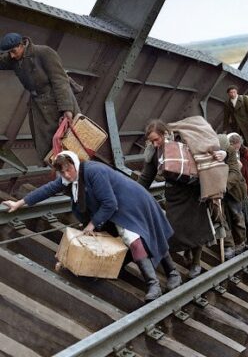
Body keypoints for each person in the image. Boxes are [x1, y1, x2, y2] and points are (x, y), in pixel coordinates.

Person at [2, 151, 180, 302]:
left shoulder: (93, 172)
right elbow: (47, 190)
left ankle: (156, 283)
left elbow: (110, 203)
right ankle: (170, 274)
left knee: (135, 239)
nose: (67, 175)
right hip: (119, 205)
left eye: (68, 170)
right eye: (62, 172)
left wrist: (92, 224)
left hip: (132, 203)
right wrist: (20, 203)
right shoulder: (68, 178)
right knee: (141, 237)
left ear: (75, 164)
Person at [139, 119, 216, 279]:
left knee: (196, 227)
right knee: (175, 229)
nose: (154, 144)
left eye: (156, 139)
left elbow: (201, 164)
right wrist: (136, 193)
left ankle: (196, 262)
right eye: (151, 141)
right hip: (174, 197)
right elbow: (146, 177)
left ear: (164, 134)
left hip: (193, 192)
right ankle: (185, 256)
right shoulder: (154, 152)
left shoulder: (184, 143)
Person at [0, 33, 80, 162]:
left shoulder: (44, 52)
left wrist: (67, 110)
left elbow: (60, 81)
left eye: (14, 51)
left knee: (69, 142)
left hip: (56, 104)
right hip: (39, 106)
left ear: (22, 45)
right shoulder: (14, 58)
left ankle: (75, 171)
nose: (11, 56)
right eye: (9, 53)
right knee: (49, 147)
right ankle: (61, 172)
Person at [218, 134, 247, 259]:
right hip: (217, 191)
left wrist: (223, 187)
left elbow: (235, 173)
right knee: (222, 219)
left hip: (233, 190)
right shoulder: (208, 152)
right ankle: (229, 245)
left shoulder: (230, 151)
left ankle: (241, 242)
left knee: (237, 215)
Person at [223, 85, 248, 150]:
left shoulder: (244, 99)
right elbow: (226, 117)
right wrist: (225, 129)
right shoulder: (227, 103)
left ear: (237, 92)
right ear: (228, 94)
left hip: (247, 123)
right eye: (231, 92)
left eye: (234, 92)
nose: (233, 94)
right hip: (237, 125)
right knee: (240, 142)